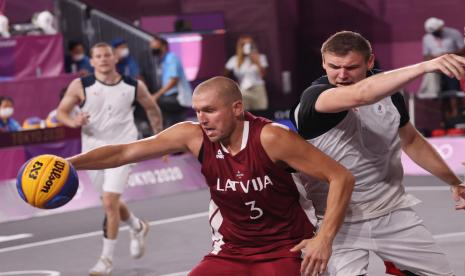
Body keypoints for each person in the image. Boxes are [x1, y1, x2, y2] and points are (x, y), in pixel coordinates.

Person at [67, 76, 355, 276]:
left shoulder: (271, 138)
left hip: (286, 249)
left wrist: (324, 239)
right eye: (197, 111)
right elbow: (123, 153)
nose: (202, 118)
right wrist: (69, 163)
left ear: (237, 108)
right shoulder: (193, 136)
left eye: (209, 110)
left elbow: (341, 177)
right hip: (232, 250)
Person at [291, 31, 465, 275]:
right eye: (334, 66)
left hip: (392, 211)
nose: (342, 75)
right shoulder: (313, 99)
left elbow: (412, 140)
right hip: (336, 222)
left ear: (370, 62)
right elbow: (361, 95)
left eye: (351, 67)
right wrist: (426, 66)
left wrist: (454, 181)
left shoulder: (390, 91)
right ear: (323, 63)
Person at [57, 42, 163, 276]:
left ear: (115, 59)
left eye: (107, 55)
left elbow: (152, 109)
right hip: (93, 152)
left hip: (124, 149)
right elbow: (61, 112)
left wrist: (159, 140)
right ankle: (137, 225)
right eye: (98, 56)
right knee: (110, 201)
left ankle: (106, 260)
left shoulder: (133, 86)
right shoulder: (80, 85)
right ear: (91, 61)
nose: (103, 59)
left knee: (108, 203)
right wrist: (73, 122)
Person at [422, 17, 465, 122]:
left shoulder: (453, 33)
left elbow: (464, 49)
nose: (435, 34)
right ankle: (446, 120)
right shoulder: (426, 38)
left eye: (437, 32)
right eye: (433, 33)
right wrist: (435, 59)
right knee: (440, 95)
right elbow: (426, 56)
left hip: (454, 66)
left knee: (454, 92)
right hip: (437, 69)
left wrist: (448, 55)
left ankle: (456, 118)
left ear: (441, 27)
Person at [150, 37, 192, 128]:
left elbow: (173, 80)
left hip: (176, 97)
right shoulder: (162, 61)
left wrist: (156, 95)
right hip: (169, 97)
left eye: (155, 46)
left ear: (164, 46)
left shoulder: (171, 58)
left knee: (177, 126)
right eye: (151, 46)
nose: (153, 48)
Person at [225, 35, 269, 111]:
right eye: (244, 44)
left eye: (250, 44)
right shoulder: (234, 60)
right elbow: (224, 75)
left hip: (258, 89)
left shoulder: (261, 57)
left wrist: (257, 62)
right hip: (243, 91)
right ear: (240, 46)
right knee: (244, 115)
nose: (247, 46)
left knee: (262, 114)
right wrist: (233, 85)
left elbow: (263, 75)